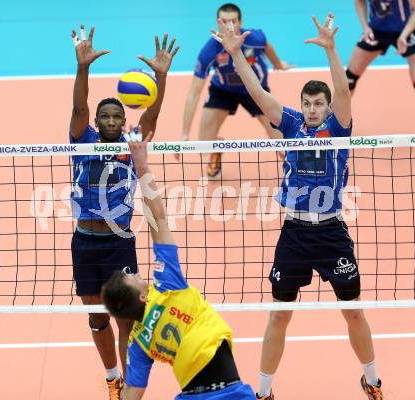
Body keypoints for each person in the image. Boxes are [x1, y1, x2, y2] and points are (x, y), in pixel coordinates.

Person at [211, 13, 384, 400]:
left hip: (332, 232)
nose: (311, 109)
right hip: (294, 232)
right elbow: (257, 93)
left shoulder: (338, 127)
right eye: (307, 103)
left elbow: (343, 91)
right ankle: (264, 391)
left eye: (317, 104)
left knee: (353, 311)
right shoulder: (289, 123)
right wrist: (237, 56)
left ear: (326, 106)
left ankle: (372, 381)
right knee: (280, 314)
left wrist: (332, 50)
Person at [101, 130, 256, 400]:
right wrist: (142, 166)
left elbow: (132, 394)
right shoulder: (167, 286)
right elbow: (158, 219)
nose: (139, 276)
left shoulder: (138, 343)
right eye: (135, 278)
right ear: (142, 294)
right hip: (230, 392)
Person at [69, 24, 179, 399]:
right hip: (85, 242)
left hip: (119, 243)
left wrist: (161, 78)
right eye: (107, 118)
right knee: (97, 317)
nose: (113, 122)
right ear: (98, 123)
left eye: (118, 117)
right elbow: (79, 106)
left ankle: (130, 388)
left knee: (126, 321)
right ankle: (113, 377)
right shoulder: (81, 141)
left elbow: (152, 118)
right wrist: (82, 67)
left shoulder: (133, 144)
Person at [178, 3, 293, 178]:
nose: (228, 25)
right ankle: (216, 149)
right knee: (203, 143)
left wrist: (278, 64)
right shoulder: (210, 50)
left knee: (281, 144)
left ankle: (295, 168)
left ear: (240, 22)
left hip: (256, 90)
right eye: (224, 21)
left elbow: (267, 47)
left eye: (232, 21)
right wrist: (185, 134)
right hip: (223, 91)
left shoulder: (255, 37)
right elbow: (194, 93)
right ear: (218, 23)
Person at [346, 0, 415, 94]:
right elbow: (359, 1)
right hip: (376, 31)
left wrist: (404, 35)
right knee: (348, 80)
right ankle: (340, 109)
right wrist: (365, 27)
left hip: (406, 29)